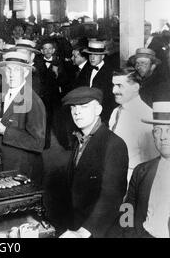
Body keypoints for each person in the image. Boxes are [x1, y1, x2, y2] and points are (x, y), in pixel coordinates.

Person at [60, 87, 128, 238]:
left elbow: (112, 196)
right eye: (73, 108)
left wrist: (84, 231)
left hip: (97, 230)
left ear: (98, 110)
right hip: (76, 222)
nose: (77, 112)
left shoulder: (114, 144)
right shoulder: (80, 139)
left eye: (83, 107)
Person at [0, 51, 46, 184]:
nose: (11, 74)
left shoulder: (32, 100)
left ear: (25, 73)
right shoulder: (7, 94)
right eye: (8, 70)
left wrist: (4, 131)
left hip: (23, 170)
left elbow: (38, 143)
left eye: (17, 70)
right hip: (7, 164)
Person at [121, 101, 170, 238]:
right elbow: (127, 209)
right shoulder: (141, 171)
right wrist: (127, 234)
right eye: (157, 130)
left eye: (169, 130)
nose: (163, 136)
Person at [109, 69, 158, 182]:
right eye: (113, 85)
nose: (114, 90)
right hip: (113, 177)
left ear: (135, 87)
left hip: (133, 181)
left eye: (119, 86)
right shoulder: (116, 111)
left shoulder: (146, 116)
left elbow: (151, 160)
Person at [82, 40, 115, 122]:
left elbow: (110, 100)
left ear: (103, 56)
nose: (92, 58)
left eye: (96, 55)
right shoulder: (86, 69)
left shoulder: (110, 72)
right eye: (90, 54)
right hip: (87, 112)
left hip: (103, 114)